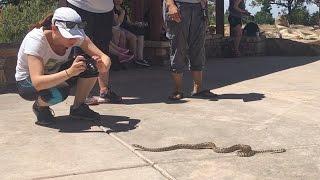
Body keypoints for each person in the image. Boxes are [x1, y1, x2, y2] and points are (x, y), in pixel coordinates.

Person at [15, 7, 108, 126]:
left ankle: (78, 107)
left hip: (52, 73)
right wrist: (70, 72)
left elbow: (104, 57)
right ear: (54, 29)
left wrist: (103, 67)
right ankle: (40, 107)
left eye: (75, 35)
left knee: (90, 65)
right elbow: (37, 82)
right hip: (27, 81)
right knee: (58, 93)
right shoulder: (36, 40)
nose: (74, 40)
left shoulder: (76, 37)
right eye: (68, 36)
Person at [66, 0, 123, 104]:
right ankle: (83, 95)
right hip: (80, 5)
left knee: (103, 48)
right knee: (81, 46)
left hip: (105, 8)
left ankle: (105, 91)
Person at [163, 0, 217, 100]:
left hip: (199, 7)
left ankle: (198, 89)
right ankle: (177, 90)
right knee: (178, 48)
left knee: (198, 48)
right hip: (179, 5)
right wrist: (170, 4)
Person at [113, 0, 151, 67]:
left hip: (126, 27)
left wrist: (136, 24)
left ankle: (138, 59)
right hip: (118, 28)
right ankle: (129, 58)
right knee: (132, 37)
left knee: (140, 32)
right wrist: (122, 13)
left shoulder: (123, 7)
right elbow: (118, 23)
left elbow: (128, 21)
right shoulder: (113, 8)